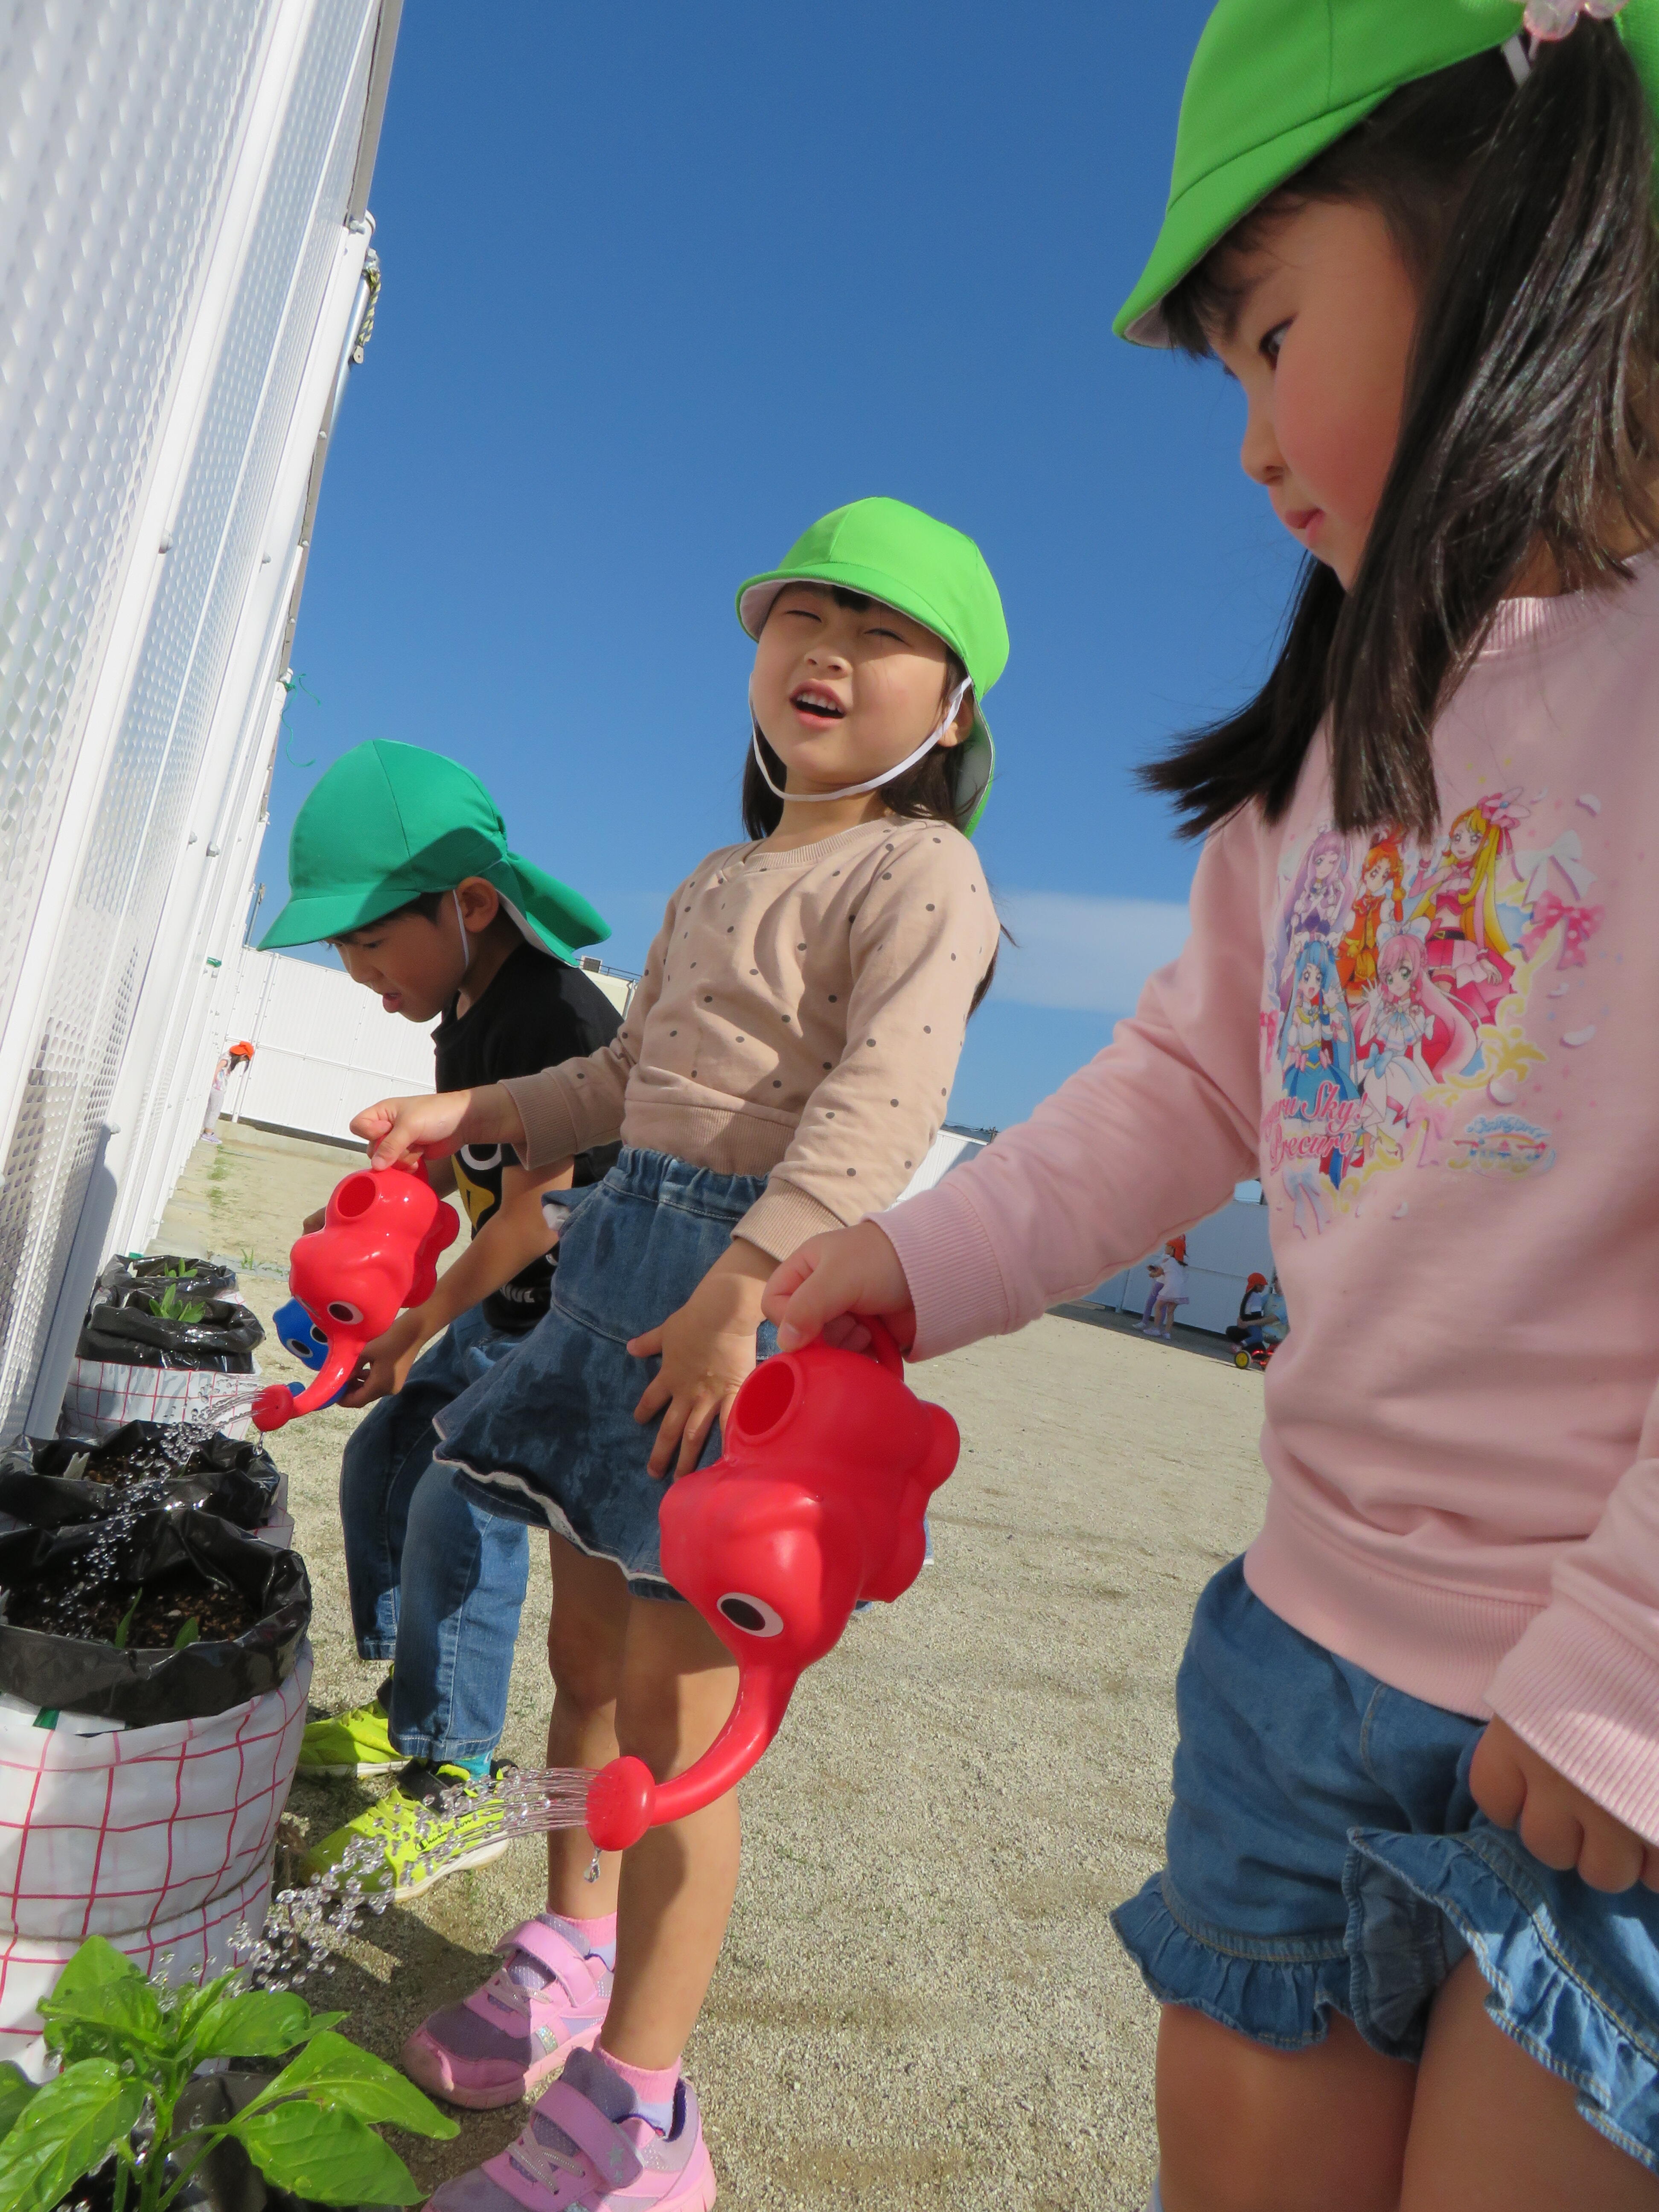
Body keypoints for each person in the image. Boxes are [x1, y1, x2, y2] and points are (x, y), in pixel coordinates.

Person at [763, 9, 1659, 2207]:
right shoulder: (1327, 745)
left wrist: (1636, 1647)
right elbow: (1178, 1083)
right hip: (1298, 1653)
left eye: (1268, 333)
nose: (1252, 438)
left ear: (1510, 220)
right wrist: (917, 1251)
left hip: (1608, 1732)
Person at [348, 498, 1007, 2207]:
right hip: (614, 1286)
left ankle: (641, 2109)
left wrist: (749, 1287)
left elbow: (881, 1111)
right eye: (802, 620)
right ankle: (571, 1949)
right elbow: (625, 1086)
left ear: (952, 710)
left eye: (877, 635)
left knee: (677, 1723)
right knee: (581, 1661)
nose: (825, 655)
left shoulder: (921, 873)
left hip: (740, 1312)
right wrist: (472, 1106)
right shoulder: (724, 875)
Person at [258, 740, 620, 1895]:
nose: (357, 966)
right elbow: (472, 1193)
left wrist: (417, 1329)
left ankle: (455, 1771)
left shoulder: (550, 1015)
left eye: (369, 937)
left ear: (468, 904)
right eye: (341, 944)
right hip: (511, 1309)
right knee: (385, 1456)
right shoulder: (469, 1012)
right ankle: (417, 1708)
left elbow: (537, 1218)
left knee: (457, 1505)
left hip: (574, 1329)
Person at [1146, 1236, 1190, 1340]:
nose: (1166, 1248)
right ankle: (1167, 1333)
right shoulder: (1183, 1263)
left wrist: (1152, 1274)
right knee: (1171, 1312)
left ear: (1173, 1249)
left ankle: (1156, 1329)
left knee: (1158, 1307)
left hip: (1169, 1288)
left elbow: (1158, 1274)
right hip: (1180, 1290)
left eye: (1168, 1246)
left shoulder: (1167, 1261)